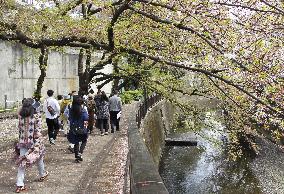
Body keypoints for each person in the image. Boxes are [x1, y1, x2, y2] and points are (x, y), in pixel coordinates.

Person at [14, 98, 48, 193]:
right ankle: (42, 174)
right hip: (34, 142)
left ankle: (20, 184)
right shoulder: (37, 117)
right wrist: (37, 146)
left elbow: (19, 129)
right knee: (39, 157)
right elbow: (37, 132)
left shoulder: (20, 116)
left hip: (23, 142)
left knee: (22, 163)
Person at [67, 96, 89, 162]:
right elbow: (86, 119)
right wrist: (86, 128)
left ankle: (76, 156)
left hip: (73, 128)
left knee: (76, 142)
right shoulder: (83, 110)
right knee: (84, 141)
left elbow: (69, 118)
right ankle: (80, 153)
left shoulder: (71, 109)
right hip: (81, 128)